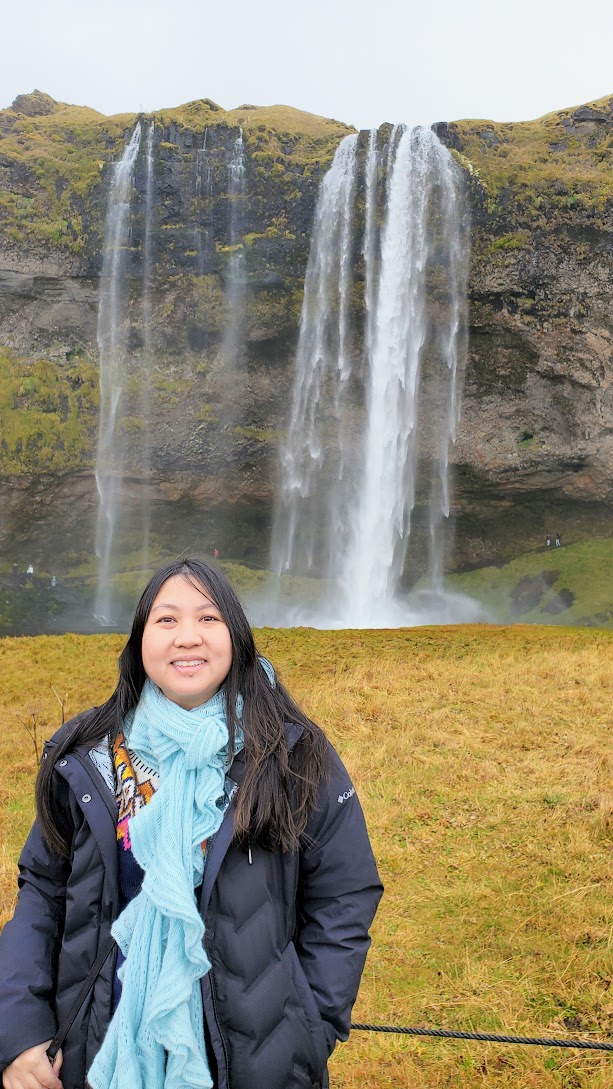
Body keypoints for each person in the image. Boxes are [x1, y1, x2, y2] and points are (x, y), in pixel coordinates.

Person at [0, 558, 382, 1089]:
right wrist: (19, 1032)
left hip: (255, 1059)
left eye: (208, 618)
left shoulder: (293, 754)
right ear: (139, 639)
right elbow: (42, 892)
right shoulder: (89, 754)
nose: (187, 638)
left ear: (237, 635)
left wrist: (309, 1028)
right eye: (166, 620)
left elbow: (345, 893)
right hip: (98, 1048)